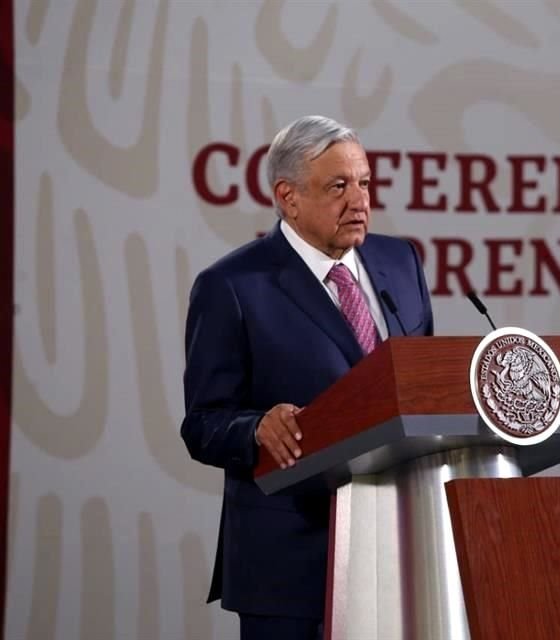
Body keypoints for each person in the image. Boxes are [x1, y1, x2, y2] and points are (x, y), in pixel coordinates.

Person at [180, 115, 434, 640]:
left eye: (364, 182)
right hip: (291, 563)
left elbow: (427, 386)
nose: (359, 200)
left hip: (403, 549)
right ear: (288, 197)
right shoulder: (232, 286)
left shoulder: (400, 261)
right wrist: (254, 429)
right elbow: (203, 424)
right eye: (338, 186)